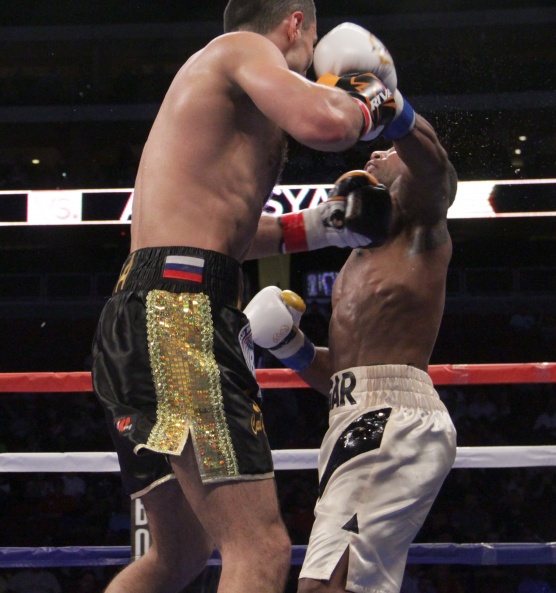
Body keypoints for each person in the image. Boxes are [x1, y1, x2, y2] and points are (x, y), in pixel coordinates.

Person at [91, 4, 397, 593]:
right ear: (294, 24)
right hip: (180, 314)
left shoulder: (213, 90)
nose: (308, 63)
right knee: (259, 548)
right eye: (311, 43)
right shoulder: (243, 48)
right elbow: (327, 124)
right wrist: (372, 98)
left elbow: (227, 232)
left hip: (142, 310)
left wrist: (326, 225)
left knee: (180, 554)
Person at [244, 23, 458, 593]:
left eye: (391, 150)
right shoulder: (359, 263)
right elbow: (344, 378)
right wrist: (289, 347)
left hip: (390, 420)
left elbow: (434, 168)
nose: (379, 151)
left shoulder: (422, 224)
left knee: (324, 586)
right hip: (357, 417)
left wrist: (394, 108)